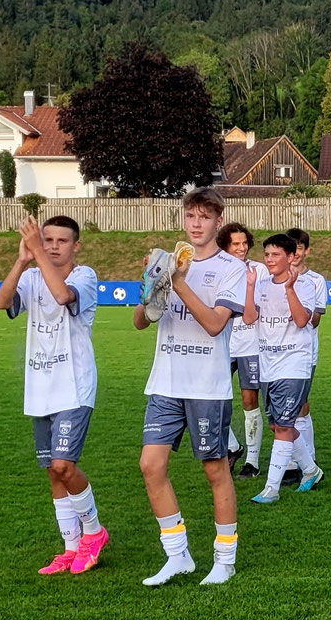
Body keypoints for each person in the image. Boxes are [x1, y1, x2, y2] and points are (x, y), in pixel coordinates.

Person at [133, 187, 245, 586]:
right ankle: (178, 555)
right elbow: (141, 322)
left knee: (215, 470)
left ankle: (224, 558)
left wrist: (178, 282)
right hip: (165, 382)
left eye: (205, 217)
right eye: (191, 216)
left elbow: (216, 324)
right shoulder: (167, 261)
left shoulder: (232, 268)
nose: (197, 224)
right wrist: (153, 285)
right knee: (151, 465)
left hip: (207, 387)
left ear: (218, 221)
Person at [0, 215, 108, 575]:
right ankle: (70, 547)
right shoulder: (30, 276)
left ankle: (93, 532)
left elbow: (61, 295)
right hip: (40, 386)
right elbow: (2, 303)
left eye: (61, 241)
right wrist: (22, 259)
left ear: (76, 246)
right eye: (47, 240)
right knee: (52, 472)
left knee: (64, 466)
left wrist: (38, 254)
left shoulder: (84, 277)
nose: (53, 246)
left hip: (74, 387)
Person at [244, 234, 320, 503]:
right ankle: (311, 470)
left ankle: (271, 488)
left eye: (276, 255)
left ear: (290, 257)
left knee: (285, 425)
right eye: (267, 255)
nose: (270, 260)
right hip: (269, 366)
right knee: (278, 425)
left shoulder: (305, 285)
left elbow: (302, 321)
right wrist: (251, 286)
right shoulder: (262, 284)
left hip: (294, 365)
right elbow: (249, 318)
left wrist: (289, 289)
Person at [218, 222, 264, 477]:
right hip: (222, 345)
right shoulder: (217, 270)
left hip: (250, 346)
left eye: (244, 243)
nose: (241, 248)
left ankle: (253, 463)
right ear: (226, 244)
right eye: (236, 243)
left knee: (249, 401)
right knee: (212, 398)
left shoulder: (259, 270)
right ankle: (233, 446)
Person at [281, 227, 325, 482]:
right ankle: (290, 461)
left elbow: (314, 320)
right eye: (291, 247)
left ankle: (306, 457)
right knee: (281, 409)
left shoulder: (316, 281)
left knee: (300, 406)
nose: (295, 253)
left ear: (307, 250)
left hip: (304, 352)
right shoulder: (272, 276)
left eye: (299, 247)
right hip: (276, 352)